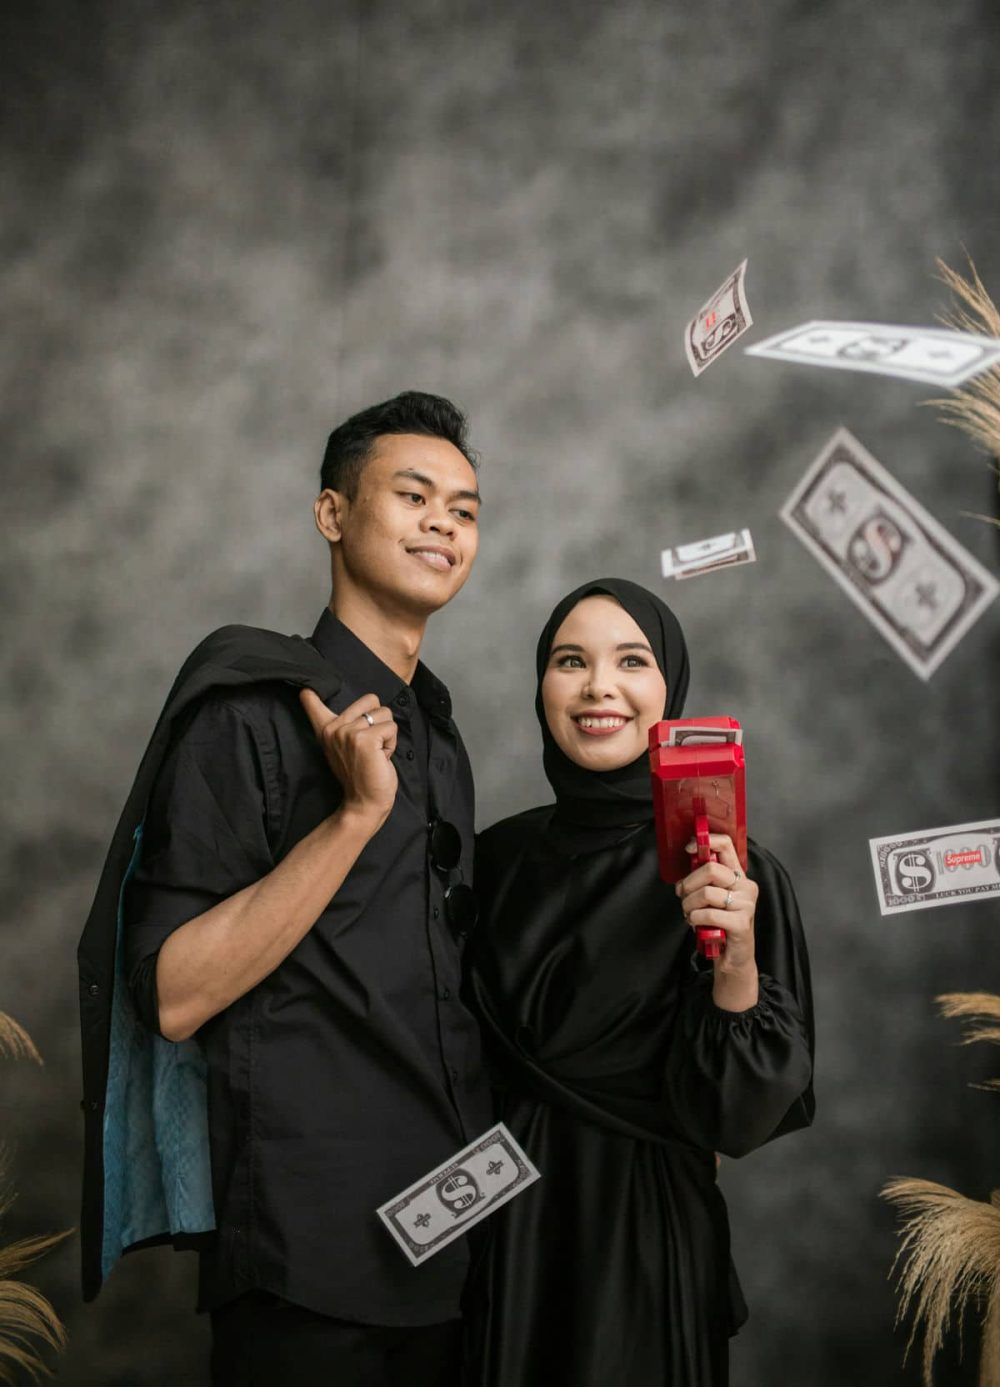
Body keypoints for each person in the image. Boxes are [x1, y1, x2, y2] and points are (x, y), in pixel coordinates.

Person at [78, 391, 492, 1386]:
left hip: (454, 1241)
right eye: (413, 495)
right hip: (308, 1250)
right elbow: (173, 992)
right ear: (332, 514)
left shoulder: (439, 735)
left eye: (465, 509)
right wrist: (351, 818)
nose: (443, 523)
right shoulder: (251, 711)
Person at [466, 578, 814, 1387]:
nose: (599, 687)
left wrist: (735, 959)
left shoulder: (735, 874)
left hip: (643, 1240)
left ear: (670, 688)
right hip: (497, 1231)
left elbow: (739, 1117)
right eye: (570, 661)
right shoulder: (492, 860)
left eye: (631, 660)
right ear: (541, 686)